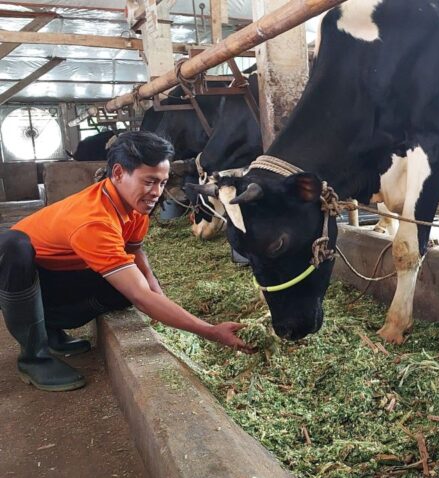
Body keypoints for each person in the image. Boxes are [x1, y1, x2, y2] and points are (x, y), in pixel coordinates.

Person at [0, 131, 254, 392]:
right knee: (13, 245)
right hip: (22, 280)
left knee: (123, 292)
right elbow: (141, 296)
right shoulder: (94, 221)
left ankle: (51, 328)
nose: (157, 192)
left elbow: (135, 252)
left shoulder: (133, 206)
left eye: (162, 182)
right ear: (119, 173)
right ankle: (34, 358)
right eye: (149, 181)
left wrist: (160, 296)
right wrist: (210, 331)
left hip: (54, 276)